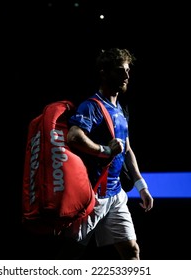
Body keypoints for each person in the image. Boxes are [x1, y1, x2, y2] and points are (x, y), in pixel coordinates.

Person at [59, 48, 154, 260]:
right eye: (120, 71)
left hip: (117, 195)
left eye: (128, 71)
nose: (127, 76)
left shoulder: (120, 109)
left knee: (132, 252)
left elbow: (127, 150)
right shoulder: (91, 106)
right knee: (69, 256)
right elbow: (74, 136)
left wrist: (141, 186)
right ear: (104, 72)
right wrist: (105, 150)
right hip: (93, 197)